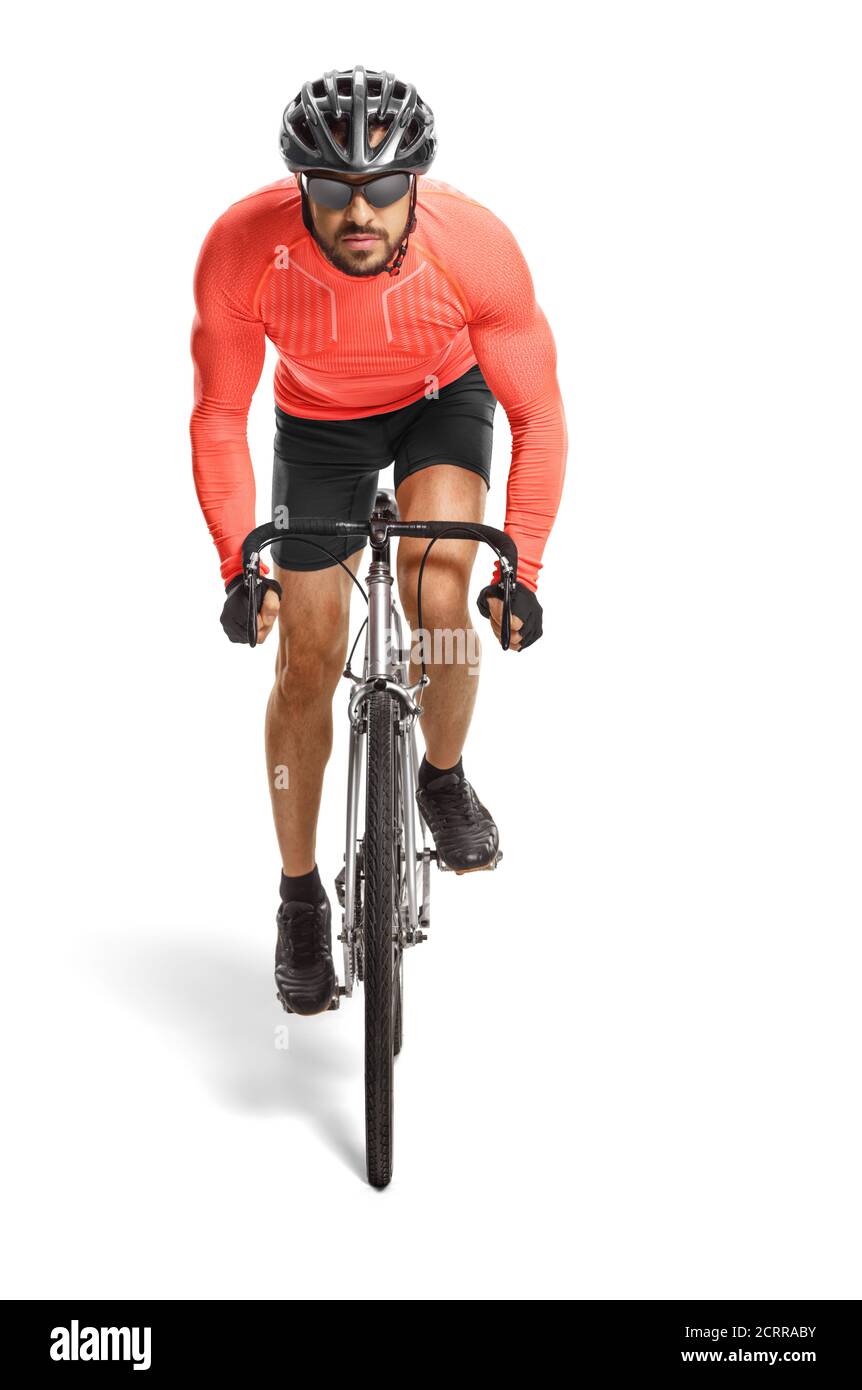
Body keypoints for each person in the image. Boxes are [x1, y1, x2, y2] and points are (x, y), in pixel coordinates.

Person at [190, 67, 568, 1016]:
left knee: (440, 599)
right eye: (331, 191)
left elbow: (539, 415)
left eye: (384, 189)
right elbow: (217, 415)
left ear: (417, 186)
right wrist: (242, 562)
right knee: (305, 662)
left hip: (442, 404)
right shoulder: (243, 250)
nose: (359, 211)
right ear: (299, 188)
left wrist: (521, 563)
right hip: (318, 426)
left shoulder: (475, 248)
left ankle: (441, 777)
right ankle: (298, 898)